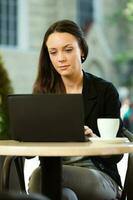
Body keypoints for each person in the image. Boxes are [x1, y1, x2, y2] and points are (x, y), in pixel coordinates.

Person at [28, 19, 124, 200]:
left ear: (82, 51)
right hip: (54, 169)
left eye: (68, 50)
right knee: (64, 195)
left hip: (99, 175)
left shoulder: (105, 91)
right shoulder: (44, 91)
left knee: (41, 178)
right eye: (53, 52)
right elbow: (29, 154)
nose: (60, 58)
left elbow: (116, 155)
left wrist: (94, 140)